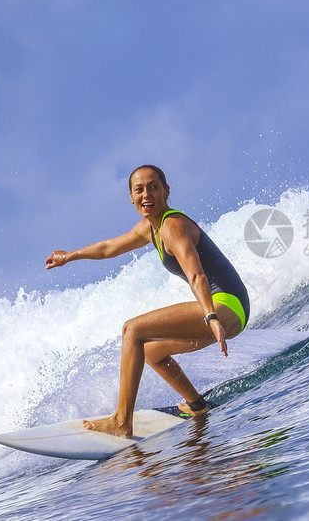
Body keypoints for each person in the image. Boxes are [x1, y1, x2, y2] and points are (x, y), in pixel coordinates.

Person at [45, 164, 250, 438]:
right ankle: (197, 405)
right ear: (131, 197)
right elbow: (108, 248)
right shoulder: (148, 229)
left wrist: (210, 316)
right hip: (228, 309)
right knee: (152, 352)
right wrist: (70, 255)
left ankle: (121, 421)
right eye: (139, 189)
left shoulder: (172, 226)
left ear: (166, 190)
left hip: (225, 306)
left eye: (153, 187)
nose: (146, 195)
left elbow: (196, 275)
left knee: (133, 330)